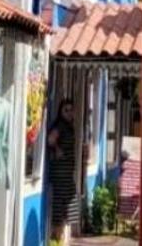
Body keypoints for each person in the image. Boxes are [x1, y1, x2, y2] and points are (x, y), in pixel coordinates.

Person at [47, 100, 79, 245]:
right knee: (60, 208)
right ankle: (56, 239)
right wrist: (57, 149)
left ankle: (59, 238)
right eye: (66, 110)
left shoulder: (69, 127)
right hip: (60, 173)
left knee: (70, 205)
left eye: (71, 110)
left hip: (66, 173)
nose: (69, 112)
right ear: (61, 111)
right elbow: (50, 139)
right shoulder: (60, 126)